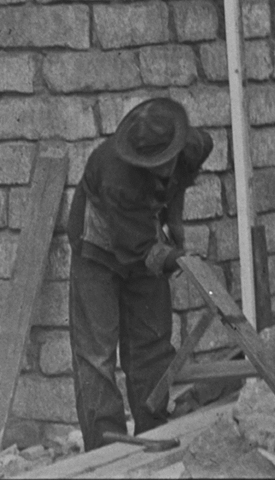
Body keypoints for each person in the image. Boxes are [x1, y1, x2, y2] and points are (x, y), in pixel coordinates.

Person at [67, 97, 213, 452]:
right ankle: (106, 444)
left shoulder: (194, 145)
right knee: (97, 351)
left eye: (167, 161)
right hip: (99, 245)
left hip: (141, 233)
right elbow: (137, 248)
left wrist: (175, 220)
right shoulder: (117, 175)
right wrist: (177, 258)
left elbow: (182, 178)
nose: (162, 170)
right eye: (154, 165)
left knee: (152, 340)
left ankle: (152, 426)